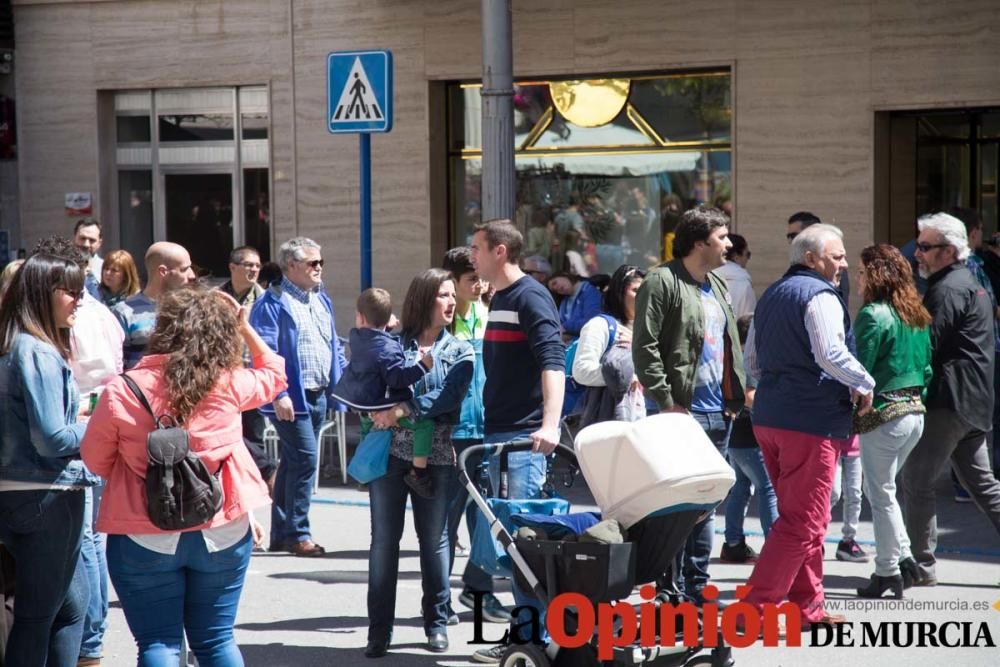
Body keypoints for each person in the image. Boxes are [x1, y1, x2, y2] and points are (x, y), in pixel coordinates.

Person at [81, 288, 287, 665]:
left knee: (158, 644)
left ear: (163, 329)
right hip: (222, 525)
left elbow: (94, 461)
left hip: (144, 529)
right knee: (217, 642)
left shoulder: (122, 391)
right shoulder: (228, 384)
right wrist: (245, 329)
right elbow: (275, 374)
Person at [743, 223, 874, 627]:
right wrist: (865, 383)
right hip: (809, 421)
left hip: (772, 416)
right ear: (811, 259)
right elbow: (830, 353)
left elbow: (752, 360)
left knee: (802, 517)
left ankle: (807, 606)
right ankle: (754, 611)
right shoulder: (819, 294)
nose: (844, 263)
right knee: (804, 521)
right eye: (837, 256)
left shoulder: (772, 296)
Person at [632, 205, 746, 605]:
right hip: (680, 413)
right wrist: (665, 402)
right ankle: (670, 586)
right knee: (677, 505)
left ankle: (697, 585)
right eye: (722, 237)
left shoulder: (717, 284)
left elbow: (729, 344)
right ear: (699, 242)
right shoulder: (661, 282)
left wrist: (737, 395)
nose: (728, 243)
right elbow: (644, 348)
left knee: (707, 502)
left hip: (720, 411)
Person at [363, 269, 474, 658]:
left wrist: (403, 408)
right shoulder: (394, 344)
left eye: (451, 295)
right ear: (424, 299)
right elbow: (368, 384)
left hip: (439, 456)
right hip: (389, 454)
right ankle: (379, 631)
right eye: (442, 294)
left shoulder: (461, 350)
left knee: (434, 541)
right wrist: (380, 410)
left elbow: (449, 397)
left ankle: (436, 622)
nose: (450, 301)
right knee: (383, 544)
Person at [469, 219, 565, 664]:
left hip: (522, 438)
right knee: (515, 545)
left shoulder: (529, 296)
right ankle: (528, 637)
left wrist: (550, 423)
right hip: (501, 433)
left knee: (522, 546)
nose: (471, 256)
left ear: (500, 251)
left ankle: (533, 642)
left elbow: (553, 360)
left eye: (477, 248)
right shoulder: (503, 297)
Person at [0, 253, 97, 667]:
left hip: (31, 490)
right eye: (72, 292)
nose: (80, 301)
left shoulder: (16, 342)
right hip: (45, 493)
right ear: (43, 293)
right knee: (39, 615)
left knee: (69, 608)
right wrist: (100, 425)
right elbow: (52, 436)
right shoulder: (35, 350)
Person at [32, 237, 123, 667]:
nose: (75, 299)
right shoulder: (94, 317)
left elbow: (54, 429)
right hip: (92, 425)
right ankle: (90, 641)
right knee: (90, 540)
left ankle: (89, 642)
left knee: (86, 540)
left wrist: (85, 422)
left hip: (84, 425)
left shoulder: (83, 318)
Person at [903, 212, 1000, 586]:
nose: (918, 254)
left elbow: (927, 346)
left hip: (950, 403)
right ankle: (921, 564)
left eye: (925, 247)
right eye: (919, 246)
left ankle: (921, 567)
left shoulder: (947, 289)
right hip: (973, 402)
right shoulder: (969, 282)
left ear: (948, 250)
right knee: (983, 484)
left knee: (917, 482)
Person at [250, 236, 347, 558]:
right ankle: (298, 534)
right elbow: (263, 351)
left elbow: (331, 343)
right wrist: (278, 393)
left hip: (318, 392)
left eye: (321, 263)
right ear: (291, 266)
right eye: (312, 263)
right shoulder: (273, 302)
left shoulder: (320, 298)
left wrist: (345, 382)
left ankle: (282, 533)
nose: (319, 268)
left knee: (293, 462)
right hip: (291, 397)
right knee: (306, 459)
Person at [851, 244, 932, 599]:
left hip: (883, 415)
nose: (857, 277)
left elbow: (859, 371)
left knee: (881, 494)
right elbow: (927, 369)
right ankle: (905, 558)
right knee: (881, 491)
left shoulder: (872, 314)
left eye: (861, 270)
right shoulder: (915, 314)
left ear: (875, 275)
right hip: (914, 413)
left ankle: (888, 571)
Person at [440, 247, 511, 625]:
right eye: (472, 279)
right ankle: (438, 602)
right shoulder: (443, 320)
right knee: (446, 522)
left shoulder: (487, 311)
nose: (480, 284)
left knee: (487, 519)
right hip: (453, 433)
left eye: (480, 277)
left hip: (487, 427)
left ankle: (478, 588)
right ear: (451, 280)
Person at [332, 287, 436, 496]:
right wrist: (423, 366)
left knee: (367, 429)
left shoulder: (356, 337)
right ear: (388, 318)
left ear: (360, 318)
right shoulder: (389, 348)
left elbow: (374, 344)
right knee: (425, 425)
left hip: (361, 404)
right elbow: (397, 379)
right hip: (384, 404)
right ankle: (418, 472)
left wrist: (384, 327)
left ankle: (362, 474)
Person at [218, 245, 277, 493]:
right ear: (233, 267)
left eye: (257, 265)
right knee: (223, 430)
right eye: (248, 265)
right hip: (220, 378)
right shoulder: (216, 298)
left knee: (252, 434)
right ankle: (261, 473)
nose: (254, 269)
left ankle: (257, 482)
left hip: (252, 377)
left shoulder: (267, 299)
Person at [720, 314, 777, 564]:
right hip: (752, 438)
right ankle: (774, 548)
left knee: (741, 489)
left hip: (736, 437)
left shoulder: (732, 359)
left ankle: (733, 543)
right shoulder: (749, 361)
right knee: (768, 489)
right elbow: (750, 395)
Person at [571, 264, 647, 424]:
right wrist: (623, 377)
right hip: (606, 421)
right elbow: (581, 371)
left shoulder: (647, 331)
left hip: (642, 420)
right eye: (636, 290)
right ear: (619, 293)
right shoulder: (600, 326)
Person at [112, 242, 196, 369]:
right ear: (163, 271)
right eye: (184, 269)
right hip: (140, 386)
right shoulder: (123, 312)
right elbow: (116, 364)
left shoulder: (192, 308)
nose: (192, 275)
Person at [787, 211, 850, 307]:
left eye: (794, 236)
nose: (791, 241)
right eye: (789, 237)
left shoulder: (834, 270)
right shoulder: (788, 280)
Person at [548, 272, 602, 340]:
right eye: (554, 290)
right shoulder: (564, 302)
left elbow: (593, 321)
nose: (556, 288)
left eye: (555, 283)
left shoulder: (590, 292)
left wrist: (565, 327)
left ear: (564, 275)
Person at [714, 233, 756, 319]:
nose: (748, 259)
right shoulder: (744, 284)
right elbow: (749, 321)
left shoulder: (706, 278)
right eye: (747, 255)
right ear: (736, 257)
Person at [73, 218, 103, 298]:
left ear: (99, 243)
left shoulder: (107, 269)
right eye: (82, 238)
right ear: (74, 237)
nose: (86, 244)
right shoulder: (61, 267)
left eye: (92, 240)